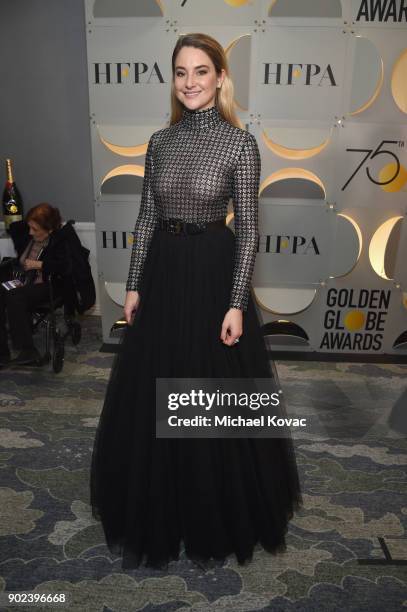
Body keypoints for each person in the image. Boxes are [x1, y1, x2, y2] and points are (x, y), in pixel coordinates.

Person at [90, 33, 303, 570]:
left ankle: (216, 505)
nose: (190, 83)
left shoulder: (239, 144)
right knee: (158, 385)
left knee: (209, 388)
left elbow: (250, 230)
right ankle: (164, 499)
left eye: (201, 72)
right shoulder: (160, 142)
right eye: (181, 72)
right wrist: (134, 284)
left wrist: (235, 303)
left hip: (212, 273)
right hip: (162, 272)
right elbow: (145, 218)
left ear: (220, 77)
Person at [0, 203, 71, 366]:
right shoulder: (27, 236)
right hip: (23, 281)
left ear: (50, 230)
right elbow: (15, 227)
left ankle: (27, 350)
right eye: (30, 227)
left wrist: (40, 265)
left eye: (35, 229)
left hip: (46, 285)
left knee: (14, 295)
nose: (30, 232)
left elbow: (65, 267)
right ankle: (2, 352)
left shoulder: (60, 241)